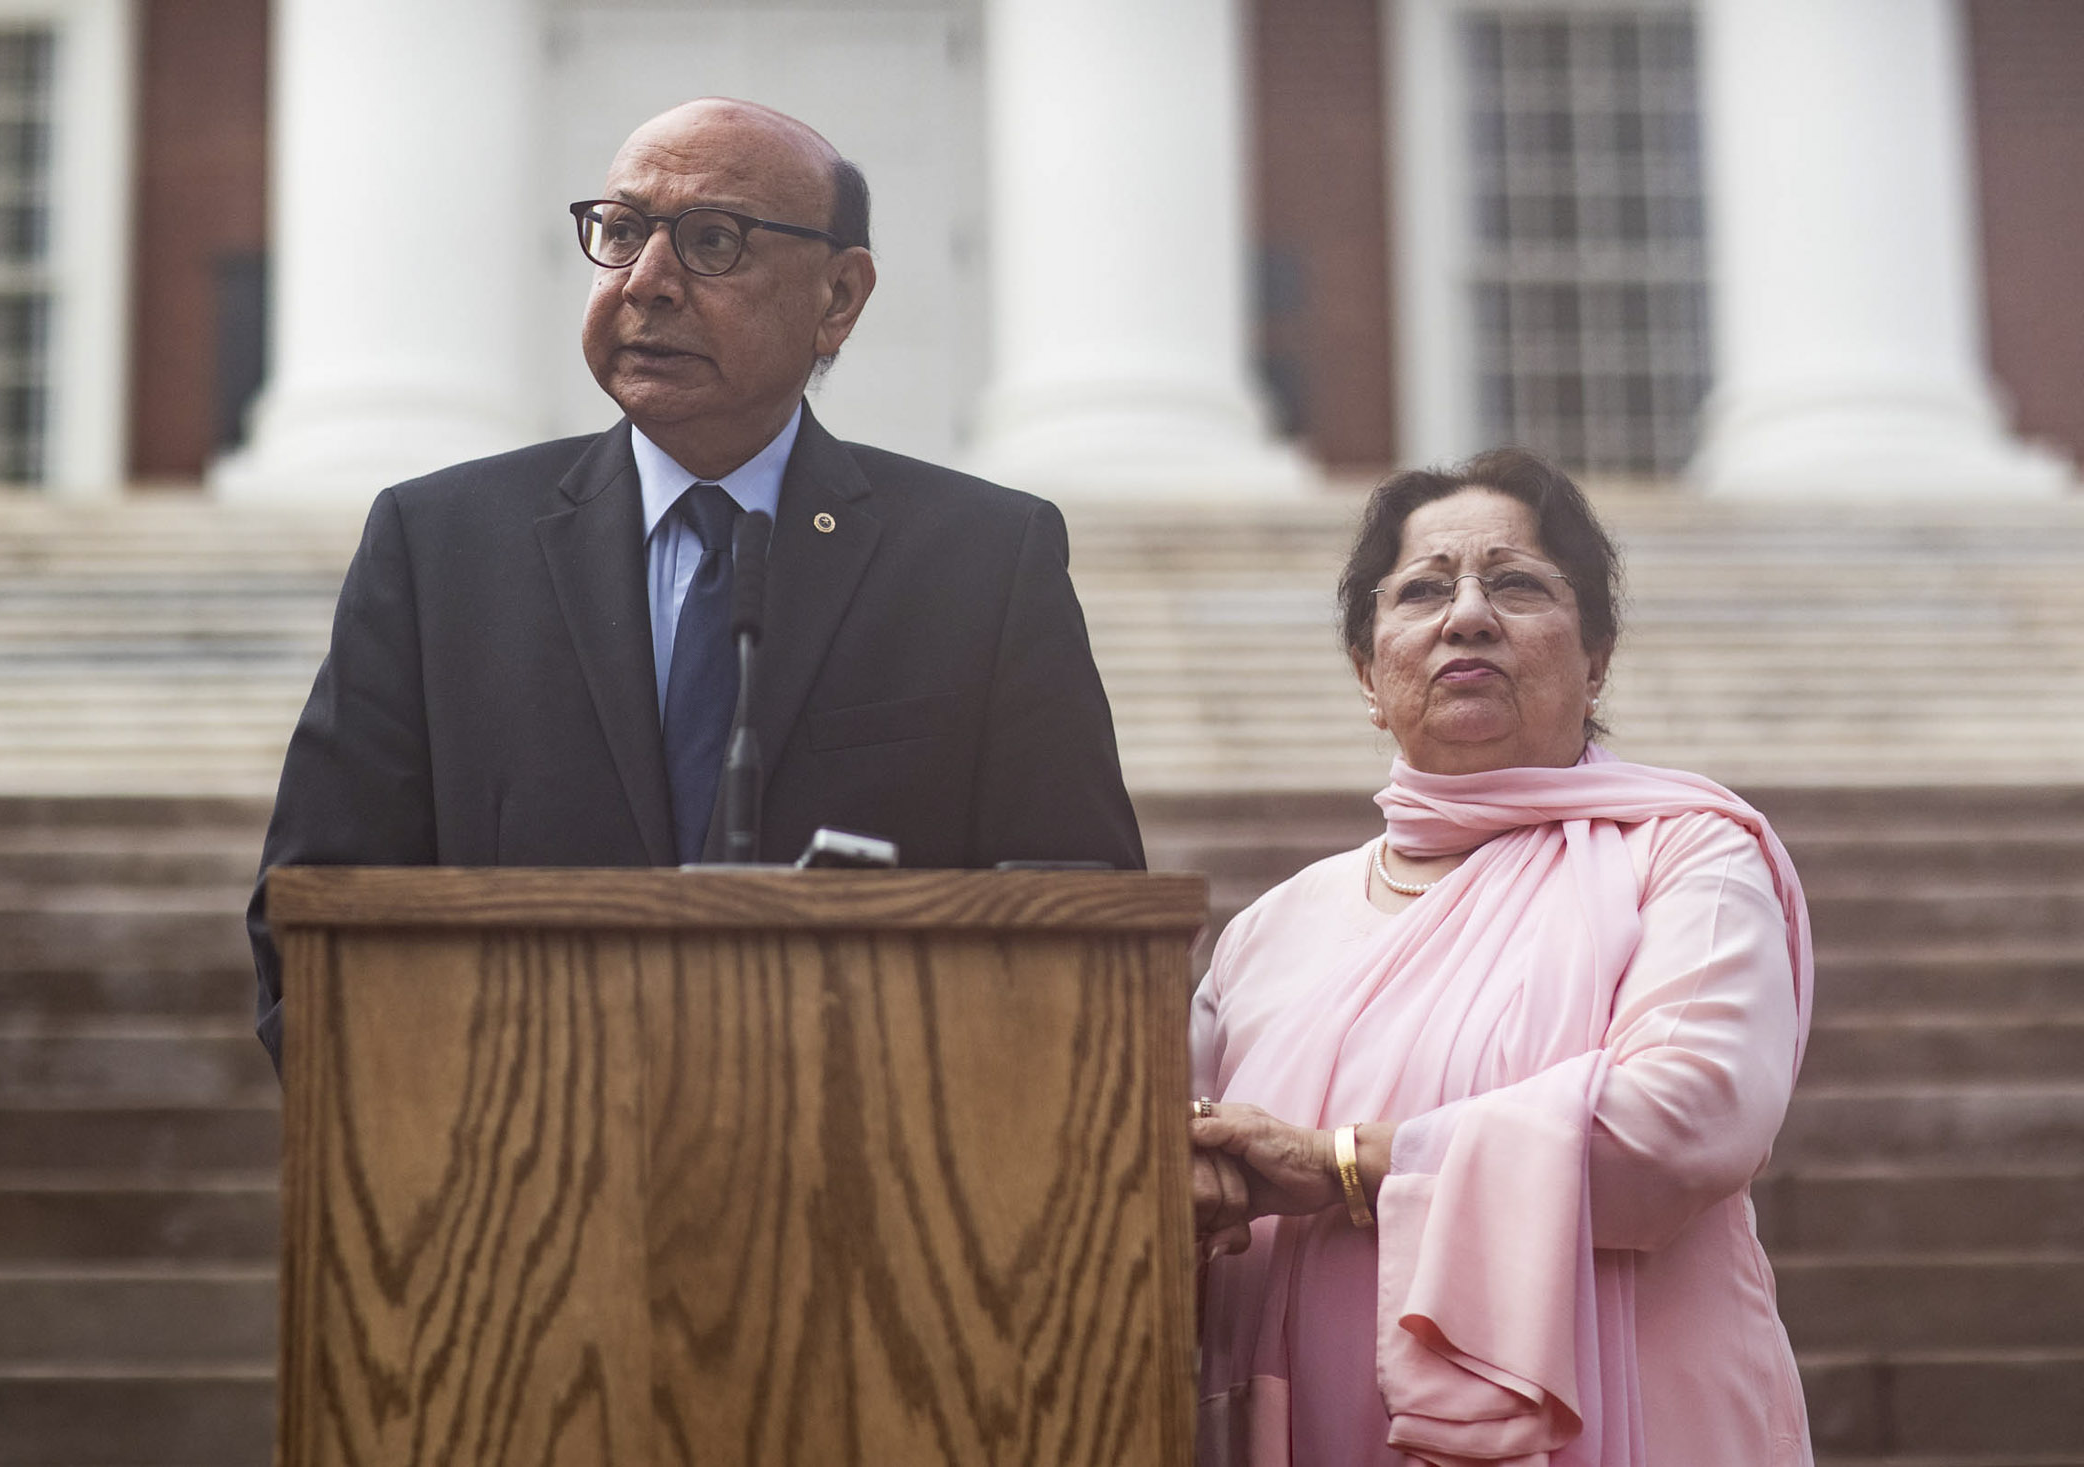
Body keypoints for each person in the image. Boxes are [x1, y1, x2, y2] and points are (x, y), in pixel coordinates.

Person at [247, 98, 1143, 1070]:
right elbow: (311, 922)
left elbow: (1078, 906)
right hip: (513, 1178)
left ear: (838, 298)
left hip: (867, 1176)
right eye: (622, 233)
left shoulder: (982, 558)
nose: (647, 283)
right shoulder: (438, 547)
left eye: (713, 241)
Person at [1186, 449, 1813, 1465]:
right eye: (1424, 589)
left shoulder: (1686, 854)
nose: (1466, 615)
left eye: (1515, 584)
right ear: (1366, 671)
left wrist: (1337, 1164)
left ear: (1595, 657)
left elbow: (1688, 1118)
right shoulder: (1270, 930)